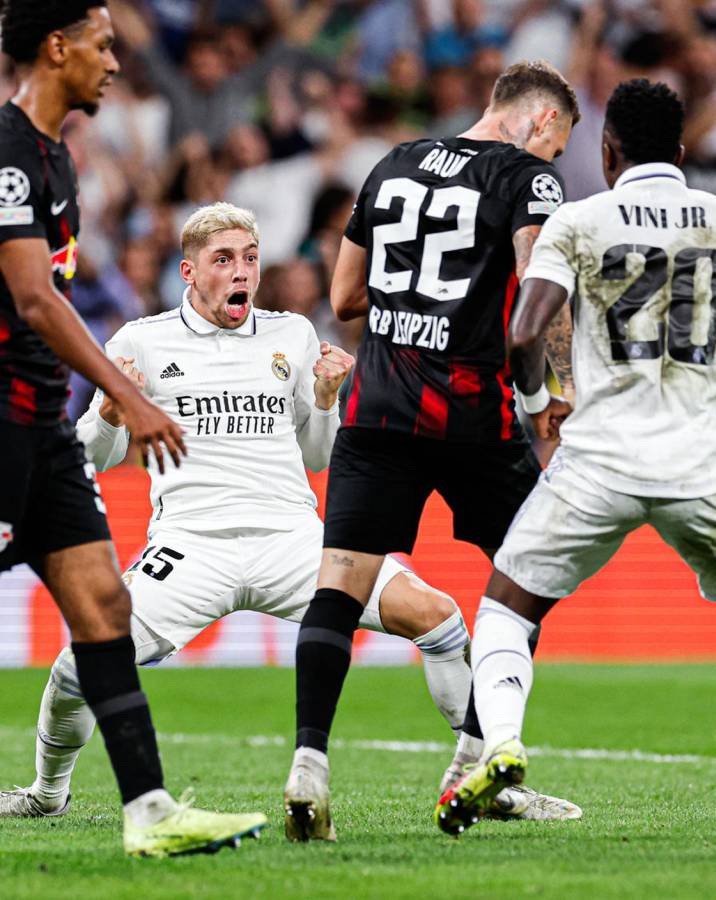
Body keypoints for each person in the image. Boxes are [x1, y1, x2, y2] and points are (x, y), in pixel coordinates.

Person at [0, 200, 478, 823]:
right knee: (76, 668)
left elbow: (318, 455)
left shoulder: (293, 335)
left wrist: (327, 399)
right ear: (190, 271)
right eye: (223, 259)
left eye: (250, 258)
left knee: (440, 619)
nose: (241, 272)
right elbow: (90, 455)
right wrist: (113, 414)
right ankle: (47, 791)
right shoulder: (142, 340)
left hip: (293, 541)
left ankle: (481, 778)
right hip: (192, 545)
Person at [434, 79, 716, 845]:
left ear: (607, 151)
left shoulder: (577, 219)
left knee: (505, 609)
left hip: (598, 460)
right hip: (703, 462)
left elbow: (523, 333)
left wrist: (535, 407)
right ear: (680, 153)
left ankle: (504, 744)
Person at [283, 60, 581, 841]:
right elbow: (538, 285)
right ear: (542, 122)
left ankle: (307, 765)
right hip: (472, 418)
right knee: (530, 577)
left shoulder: (391, 162)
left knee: (338, 588)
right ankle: (475, 761)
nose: (551, 162)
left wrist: (414, 305)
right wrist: (556, 391)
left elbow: (345, 297)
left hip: (377, 406)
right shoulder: (528, 178)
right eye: (556, 146)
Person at [0, 1, 265, 857]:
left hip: (41, 428)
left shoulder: (55, 159)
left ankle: (148, 813)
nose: (115, 62)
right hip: (1, 426)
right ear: (56, 46)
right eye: (103, 44)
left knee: (105, 604)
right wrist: (131, 394)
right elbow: (35, 299)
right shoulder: (8, 156)